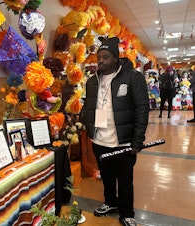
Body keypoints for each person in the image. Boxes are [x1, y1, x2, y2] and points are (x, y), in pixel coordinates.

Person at [80, 37, 149, 226]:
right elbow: (88, 106)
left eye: (105, 57)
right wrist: (85, 121)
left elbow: (142, 109)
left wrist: (137, 140)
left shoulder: (133, 77)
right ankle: (110, 202)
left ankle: (127, 213)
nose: (100, 61)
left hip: (123, 141)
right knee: (107, 176)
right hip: (100, 140)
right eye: (98, 57)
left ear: (116, 58)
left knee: (125, 180)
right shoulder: (92, 81)